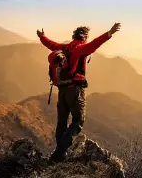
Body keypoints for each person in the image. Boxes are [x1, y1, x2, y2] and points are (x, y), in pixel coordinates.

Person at [36, 22, 121, 162]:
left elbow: (51, 45)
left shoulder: (65, 48)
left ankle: (59, 155)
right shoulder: (80, 48)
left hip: (62, 90)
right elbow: (94, 44)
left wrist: (42, 36)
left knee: (62, 123)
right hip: (75, 90)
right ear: (85, 37)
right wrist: (109, 33)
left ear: (73, 35)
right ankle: (59, 153)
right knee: (78, 121)